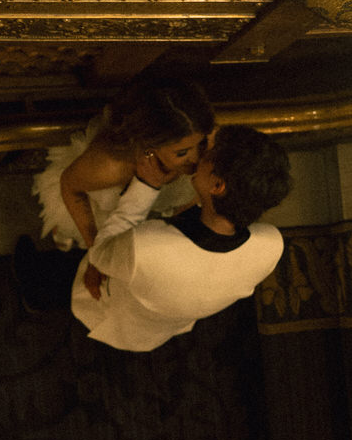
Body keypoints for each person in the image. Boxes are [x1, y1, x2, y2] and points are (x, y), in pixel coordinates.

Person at [16, 125, 292, 352]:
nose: (200, 155)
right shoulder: (271, 245)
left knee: (64, 280)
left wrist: (146, 186)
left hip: (117, 305)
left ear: (218, 185)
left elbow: (102, 251)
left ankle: (38, 291)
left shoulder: (149, 248)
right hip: (168, 313)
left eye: (209, 153)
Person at [32, 80, 216, 250]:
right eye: (182, 153)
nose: (196, 158)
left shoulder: (199, 136)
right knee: (72, 232)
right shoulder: (112, 166)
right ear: (151, 144)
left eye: (201, 144)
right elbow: (69, 186)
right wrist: (94, 246)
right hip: (103, 209)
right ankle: (64, 236)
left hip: (150, 212)